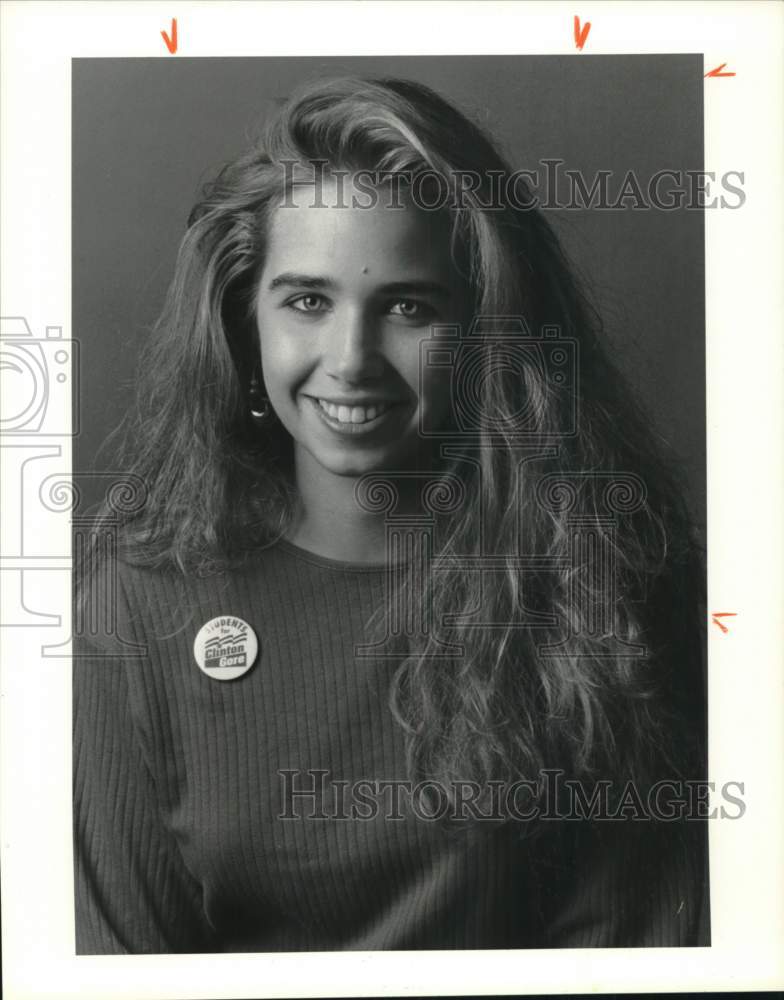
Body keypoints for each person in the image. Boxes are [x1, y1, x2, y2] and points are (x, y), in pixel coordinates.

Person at [73, 76, 709, 953]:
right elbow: (113, 965)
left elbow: (640, 948)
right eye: (307, 301)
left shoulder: (605, 579)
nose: (352, 361)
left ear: (486, 329)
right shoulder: (134, 610)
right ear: (242, 320)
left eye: (409, 306)